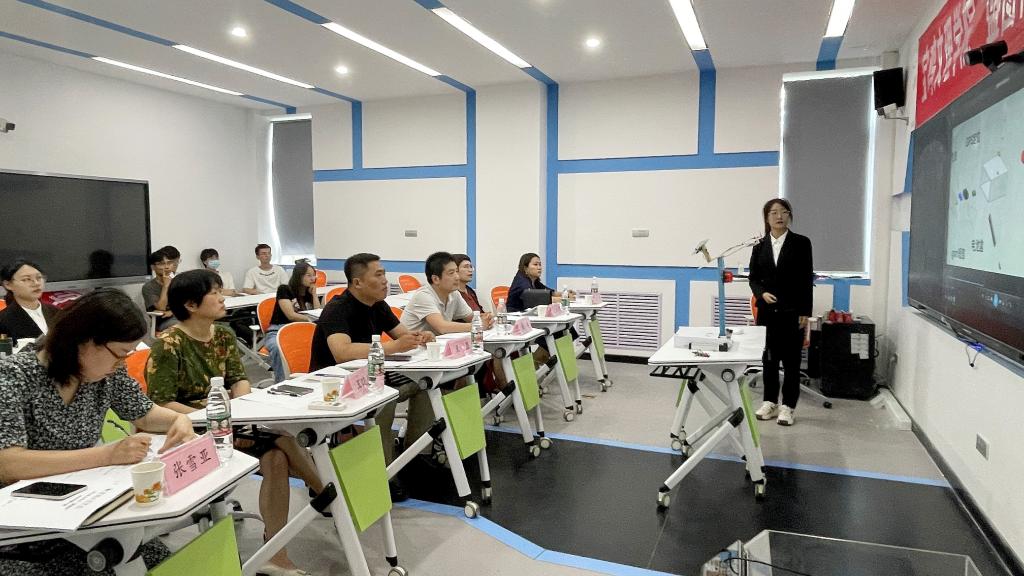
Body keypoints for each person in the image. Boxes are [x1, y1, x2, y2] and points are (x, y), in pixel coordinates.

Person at [0, 288, 196, 575]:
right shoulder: (12, 375)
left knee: (159, 562)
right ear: (84, 341)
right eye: (120, 354)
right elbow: (8, 464)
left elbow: (144, 412)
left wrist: (178, 420)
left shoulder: (105, 374)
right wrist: (107, 455)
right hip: (24, 531)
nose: (121, 363)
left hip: (86, 513)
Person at [146, 269, 323, 576]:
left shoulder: (223, 335)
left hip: (229, 422)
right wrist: (217, 412)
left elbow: (239, 379)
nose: (221, 297)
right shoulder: (169, 344)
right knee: (281, 440)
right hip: (191, 430)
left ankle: (275, 553)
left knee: (276, 457)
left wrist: (238, 409)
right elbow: (160, 404)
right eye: (214, 292)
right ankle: (326, 492)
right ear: (191, 305)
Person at [309, 253, 433, 497]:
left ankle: (414, 453)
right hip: (334, 383)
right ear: (357, 282)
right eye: (378, 275)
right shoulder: (337, 309)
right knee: (385, 400)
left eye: (384, 274)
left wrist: (420, 337)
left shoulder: (378, 305)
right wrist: (391, 347)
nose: (385, 280)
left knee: (425, 384)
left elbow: (402, 335)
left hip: (369, 374)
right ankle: (384, 473)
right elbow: (342, 352)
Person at [749, 198, 814, 427]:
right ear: (767, 218)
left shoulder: (801, 243)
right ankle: (769, 402)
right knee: (769, 360)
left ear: (789, 216)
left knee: (791, 362)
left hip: (792, 311)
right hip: (767, 313)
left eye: (784, 212)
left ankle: (788, 406)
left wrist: (805, 310)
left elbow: (806, 279)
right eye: (774, 212)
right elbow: (753, 279)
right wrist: (761, 294)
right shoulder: (759, 246)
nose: (779, 216)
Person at [265, 261, 321, 382]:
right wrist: (310, 319)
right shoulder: (284, 289)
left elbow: (318, 312)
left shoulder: (309, 292)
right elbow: (291, 315)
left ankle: (313, 379)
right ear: (299, 276)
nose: (313, 278)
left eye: (314, 275)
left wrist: (314, 294)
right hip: (278, 330)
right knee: (278, 348)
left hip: (302, 331)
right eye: (309, 275)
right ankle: (282, 382)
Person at [0, 259, 60, 341]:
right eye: (27, 279)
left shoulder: (57, 312)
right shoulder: (3, 321)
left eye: (39, 278)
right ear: (8, 285)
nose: (36, 283)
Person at [141, 248, 178, 332]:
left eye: (169, 263)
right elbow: (161, 308)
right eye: (161, 264)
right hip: (164, 321)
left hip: (181, 316)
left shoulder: (179, 282)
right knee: (183, 327)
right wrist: (166, 285)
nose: (167, 267)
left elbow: (189, 304)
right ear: (153, 267)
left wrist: (172, 312)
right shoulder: (149, 287)